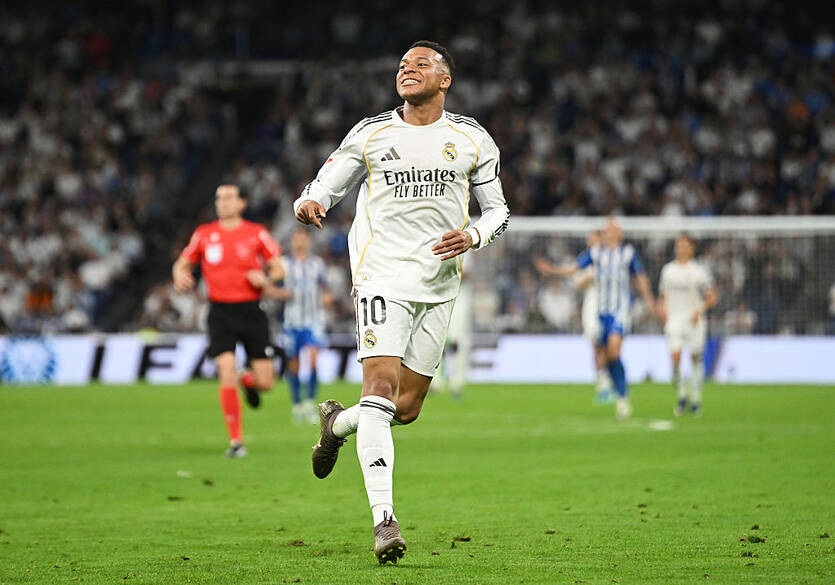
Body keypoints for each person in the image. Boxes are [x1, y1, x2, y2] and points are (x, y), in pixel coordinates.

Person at [293, 40, 510, 564]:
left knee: (405, 408)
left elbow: (498, 212)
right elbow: (327, 181)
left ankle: (336, 425)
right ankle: (384, 521)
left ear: (445, 79)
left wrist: (473, 236)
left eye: (420, 64)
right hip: (381, 274)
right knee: (380, 388)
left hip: (439, 282)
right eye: (402, 65)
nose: (407, 69)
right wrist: (311, 199)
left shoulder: (472, 138)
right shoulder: (371, 133)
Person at [172, 184, 284, 458]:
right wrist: (179, 275)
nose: (222, 202)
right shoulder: (204, 234)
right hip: (219, 312)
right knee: (225, 370)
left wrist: (266, 278)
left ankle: (247, 380)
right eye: (219, 198)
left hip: (251, 311)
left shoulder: (256, 233)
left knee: (266, 382)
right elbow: (182, 263)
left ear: (241, 203)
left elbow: (279, 268)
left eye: (229, 197)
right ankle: (236, 442)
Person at [535, 217, 656, 419]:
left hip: (620, 310)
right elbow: (574, 268)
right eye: (606, 230)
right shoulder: (595, 253)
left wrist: (649, 300)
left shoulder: (627, 253)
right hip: (600, 312)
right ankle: (617, 390)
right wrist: (552, 270)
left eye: (611, 230)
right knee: (605, 355)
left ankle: (623, 397)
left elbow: (640, 277)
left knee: (614, 351)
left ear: (619, 234)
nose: (608, 233)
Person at [263, 227, 333, 424]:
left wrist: (327, 297)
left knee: (313, 360)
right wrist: (281, 294)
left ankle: (310, 403)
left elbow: (325, 288)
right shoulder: (283, 264)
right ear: (292, 241)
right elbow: (267, 287)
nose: (300, 242)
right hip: (291, 321)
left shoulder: (317, 264)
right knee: (293, 365)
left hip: (314, 320)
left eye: (303, 238)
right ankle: (296, 404)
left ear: (308, 241)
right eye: (297, 238)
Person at [657, 233, 717, 416]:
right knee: (675, 358)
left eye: (685, 245)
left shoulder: (699, 271)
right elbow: (663, 296)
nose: (681, 248)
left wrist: (700, 309)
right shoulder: (668, 271)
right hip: (674, 319)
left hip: (694, 320)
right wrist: (661, 311)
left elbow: (712, 297)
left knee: (695, 358)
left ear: (692, 248)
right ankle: (682, 395)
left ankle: (696, 399)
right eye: (679, 244)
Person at [570, 230, 614, 404]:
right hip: (591, 308)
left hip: (611, 307)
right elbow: (576, 283)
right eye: (589, 240)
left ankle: (611, 382)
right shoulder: (585, 260)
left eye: (594, 240)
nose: (591, 243)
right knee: (596, 347)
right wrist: (589, 277)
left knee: (611, 348)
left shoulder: (611, 257)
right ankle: (602, 386)